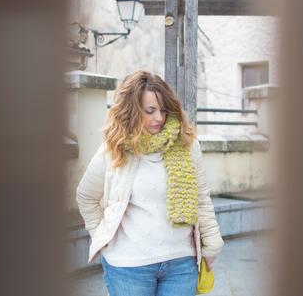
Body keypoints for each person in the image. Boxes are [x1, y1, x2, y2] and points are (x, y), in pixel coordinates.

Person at [76, 70, 224, 296]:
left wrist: (212, 241)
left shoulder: (185, 144)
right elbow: (86, 196)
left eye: (163, 110)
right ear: (132, 111)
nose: (159, 118)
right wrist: (102, 238)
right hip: (128, 267)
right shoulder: (114, 149)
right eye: (150, 111)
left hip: (181, 263)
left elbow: (201, 197)